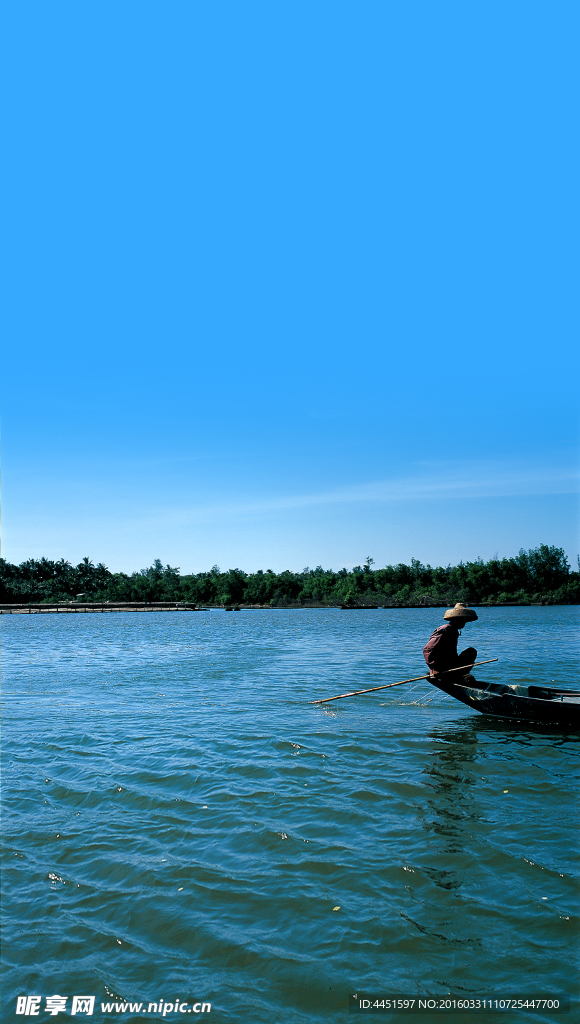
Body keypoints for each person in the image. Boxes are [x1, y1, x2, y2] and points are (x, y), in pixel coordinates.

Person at [423, 603, 477, 679]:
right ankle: (453, 676)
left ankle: (458, 675)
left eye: (465, 620)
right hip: (440, 667)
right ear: (455, 620)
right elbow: (428, 650)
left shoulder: (454, 631)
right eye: (462, 620)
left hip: (450, 665)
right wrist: (434, 669)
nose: (464, 623)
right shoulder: (445, 630)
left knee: (471, 652)